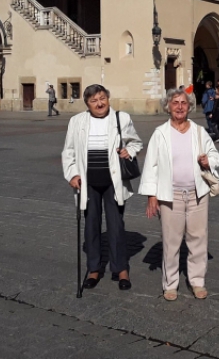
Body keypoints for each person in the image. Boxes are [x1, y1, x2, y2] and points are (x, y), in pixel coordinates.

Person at [139, 88, 219, 301]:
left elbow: (214, 154)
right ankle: (170, 284)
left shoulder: (199, 131)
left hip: (197, 194)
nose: (180, 107)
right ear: (168, 106)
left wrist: (208, 161)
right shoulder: (160, 133)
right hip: (170, 195)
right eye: (175, 103)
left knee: (198, 239)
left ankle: (197, 281)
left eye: (183, 103)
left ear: (190, 106)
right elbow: (151, 165)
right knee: (171, 241)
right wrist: (151, 195)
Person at [62, 84, 143, 292]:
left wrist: (128, 152)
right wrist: (72, 174)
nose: (99, 103)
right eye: (94, 101)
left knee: (116, 226)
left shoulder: (121, 119)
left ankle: (121, 269)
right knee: (91, 226)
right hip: (88, 183)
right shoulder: (77, 121)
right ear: (87, 104)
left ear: (108, 98)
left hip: (113, 182)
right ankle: (94, 269)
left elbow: (136, 143)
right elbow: (69, 151)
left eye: (102, 98)